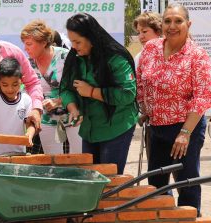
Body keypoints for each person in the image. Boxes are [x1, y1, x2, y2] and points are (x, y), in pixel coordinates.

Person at [136, 3, 211, 217]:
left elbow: (203, 97)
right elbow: (141, 80)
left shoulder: (197, 55)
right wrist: (145, 107)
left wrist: (185, 133)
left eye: (178, 21)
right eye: (167, 21)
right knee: (157, 184)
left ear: (188, 24)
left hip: (185, 128)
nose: (172, 26)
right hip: (156, 127)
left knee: (186, 182)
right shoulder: (151, 48)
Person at [60, 13, 138, 175]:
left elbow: (127, 94)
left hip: (116, 126)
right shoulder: (75, 56)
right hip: (90, 129)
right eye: (71, 41)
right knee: (91, 177)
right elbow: (66, 88)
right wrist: (73, 108)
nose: (73, 46)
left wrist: (92, 92)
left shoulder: (115, 58)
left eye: (78, 42)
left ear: (92, 38)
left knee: (109, 179)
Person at [21, 19, 82, 154]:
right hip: (46, 119)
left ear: (43, 42)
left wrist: (58, 101)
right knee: (52, 161)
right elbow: (25, 92)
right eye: (24, 44)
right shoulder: (28, 64)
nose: (26, 48)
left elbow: (79, 85)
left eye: (29, 44)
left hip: (73, 113)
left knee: (81, 157)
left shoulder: (65, 57)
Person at [0, 57, 35, 157]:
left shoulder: (26, 99)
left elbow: (30, 124)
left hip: (17, 154)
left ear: (21, 80)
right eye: (5, 85)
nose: (10, 89)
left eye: (15, 84)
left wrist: (29, 134)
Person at [133, 12, 162, 160]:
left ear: (158, 31)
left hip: (178, 124)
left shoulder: (171, 52)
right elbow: (138, 89)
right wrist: (143, 112)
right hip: (151, 125)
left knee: (182, 175)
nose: (141, 36)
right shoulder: (138, 57)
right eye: (139, 32)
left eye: (145, 31)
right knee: (156, 172)